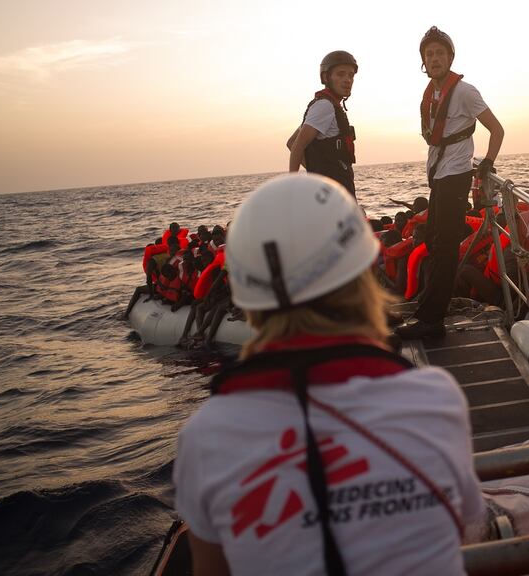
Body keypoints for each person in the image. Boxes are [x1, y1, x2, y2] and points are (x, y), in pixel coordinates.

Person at [174, 174, 483, 576]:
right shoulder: (436, 397)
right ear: (364, 274)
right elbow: (464, 528)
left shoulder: (205, 436)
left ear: (247, 297)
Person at [396, 26, 505, 340]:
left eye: (439, 53)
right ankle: (429, 306)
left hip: (457, 174)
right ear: (423, 61)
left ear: (450, 57)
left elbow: (496, 130)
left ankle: (432, 321)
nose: (434, 58)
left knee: (444, 247)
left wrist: (486, 164)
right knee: (433, 241)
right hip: (438, 174)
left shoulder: (465, 91)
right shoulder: (432, 93)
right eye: (429, 54)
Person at [287, 51, 358, 195]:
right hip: (334, 193)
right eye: (340, 74)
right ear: (326, 77)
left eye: (351, 75)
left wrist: (317, 174)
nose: (347, 80)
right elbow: (297, 145)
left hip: (331, 190)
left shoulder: (327, 105)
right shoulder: (325, 106)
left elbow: (291, 142)